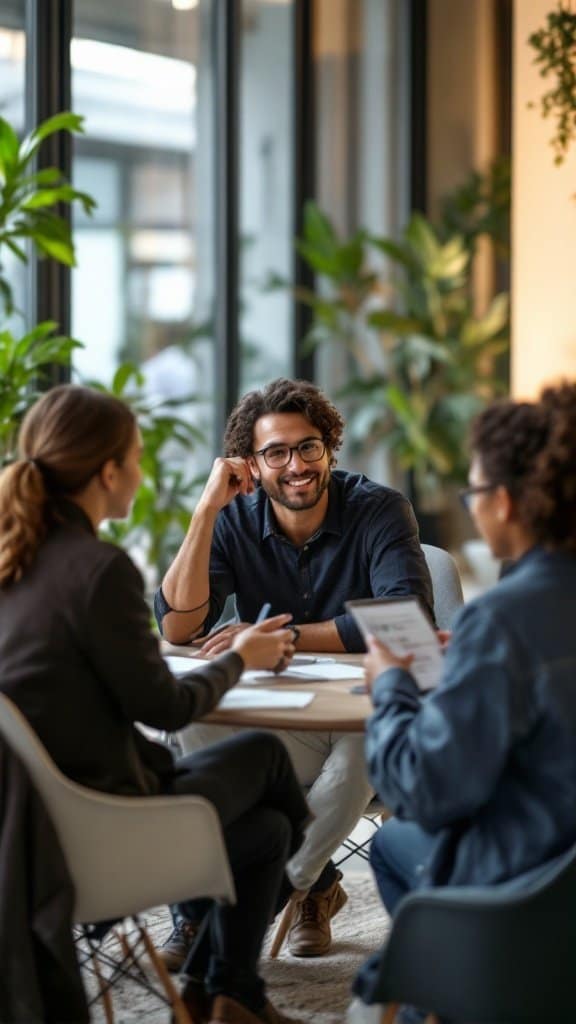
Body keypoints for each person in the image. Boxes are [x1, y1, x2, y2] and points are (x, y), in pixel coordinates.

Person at [0, 384, 311, 1024]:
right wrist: (241, 659)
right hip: (105, 819)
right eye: (137, 458)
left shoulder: (17, 560)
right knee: (268, 763)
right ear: (109, 471)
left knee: (269, 831)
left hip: (35, 819)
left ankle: (226, 995)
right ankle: (219, 988)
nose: (141, 473)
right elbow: (167, 707)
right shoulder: (97, 569)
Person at [155, 377, 433, 962]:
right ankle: (314, 886)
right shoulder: (234, 519)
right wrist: (207, 508)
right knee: (194, 723)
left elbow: (404, 617)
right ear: (251, 465)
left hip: (363, 723)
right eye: (275, 452)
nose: (296, 465)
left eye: (308, 446)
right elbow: (176, 628)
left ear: (329, 446)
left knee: (363, 740)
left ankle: (274, 891)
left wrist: (280, 635)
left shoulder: (380, 509)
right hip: (281, 723)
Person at [355, 382, 576, 1019]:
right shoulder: (505, 629)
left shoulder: (505, 621)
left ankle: (461, 991)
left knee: (395, 843)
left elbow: (424, 789)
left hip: (528, 887)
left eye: (474, 493)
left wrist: (391, 683)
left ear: (504, 503)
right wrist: (473, 664)